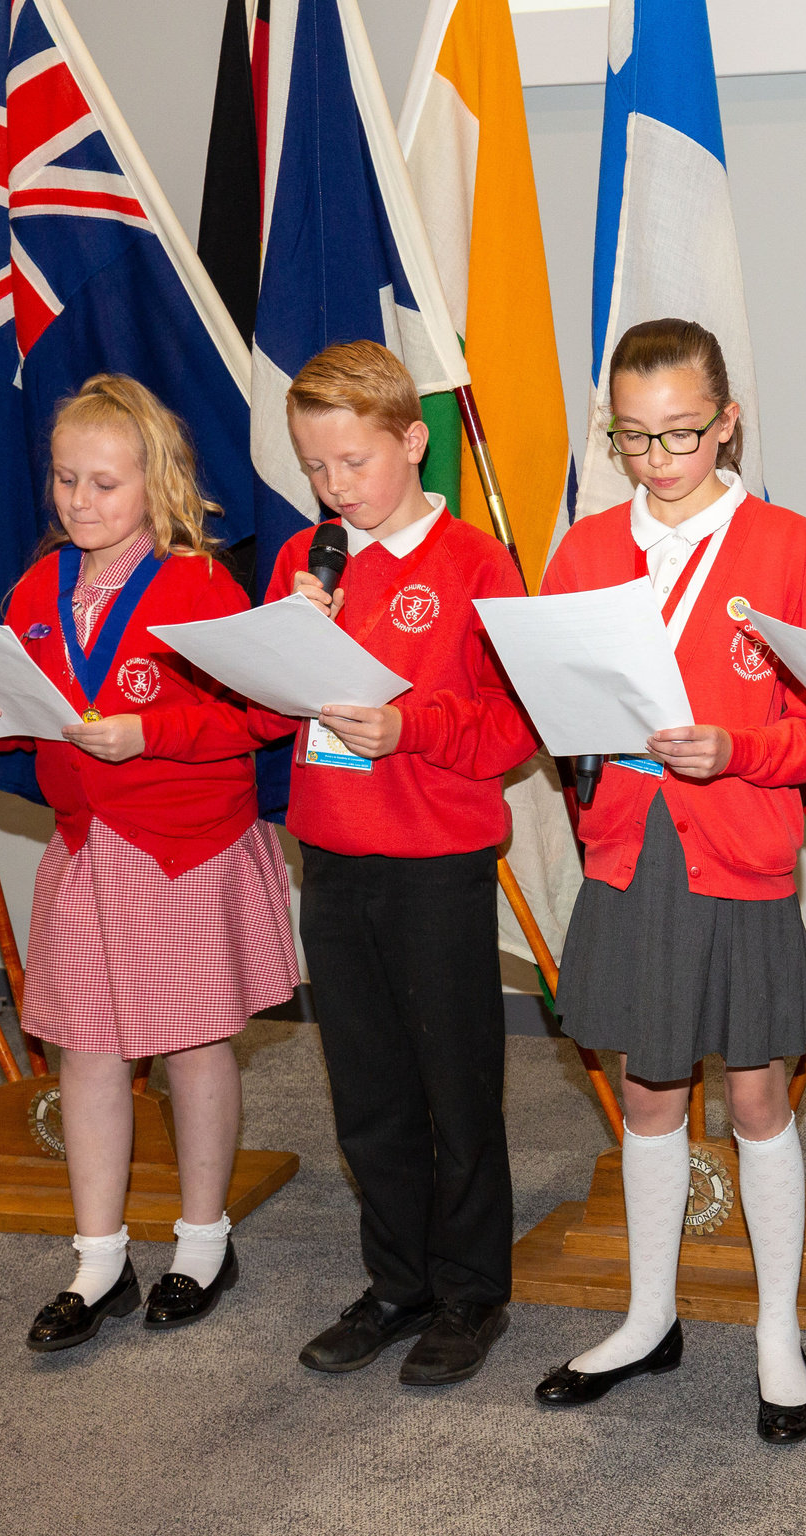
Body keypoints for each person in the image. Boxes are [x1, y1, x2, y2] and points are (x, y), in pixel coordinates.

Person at [0, 373, 299, 1353]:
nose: (80, 502)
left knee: (190, 1045)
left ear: (157, 483)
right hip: (88, 846)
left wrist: (152, 734)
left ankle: (202, 1242)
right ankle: (98, 1259)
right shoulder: (37, 587)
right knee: (86, 1052)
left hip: (181, 848)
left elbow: (256, 716)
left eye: (104, 484)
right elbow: (21, 699)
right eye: (65, 481)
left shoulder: (199, 584)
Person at [532, 318, 806, 1444]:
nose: (658, 458)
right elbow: (556, 711)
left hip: (739, 848)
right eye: (632, 436)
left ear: (728, 420)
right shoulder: (582, 548)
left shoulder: (784, 546)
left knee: (757, 1097)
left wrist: (741, 750)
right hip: (630, 851)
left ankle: (774, 1331)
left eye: (681, 433)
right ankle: (648, 1315)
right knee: (651, 1094)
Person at [269, 340, 539, 1388]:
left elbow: (513, 725)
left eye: (356, 464)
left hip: (436, 859)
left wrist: (407, 726)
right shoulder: (312, 558)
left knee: (452, 1084)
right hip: (332, 855)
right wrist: (289, 644)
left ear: (413, 442)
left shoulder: (475, 563)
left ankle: (472, 1292)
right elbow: (262, 710)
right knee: (367, 1088)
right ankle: (397, 1281)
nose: (337, 489)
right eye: (317, 469)